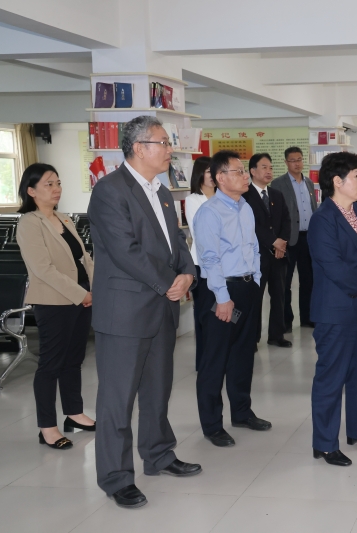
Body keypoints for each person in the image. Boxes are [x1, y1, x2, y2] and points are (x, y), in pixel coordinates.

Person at [88, 116, 201, 509]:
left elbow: (178, 242)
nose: (170, 149)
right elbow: (126, 251)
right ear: (139, 148)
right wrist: (170, 282)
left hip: (161, 306)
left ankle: (159, 454)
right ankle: (116, 478)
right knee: (117, 400)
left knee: (157, 391)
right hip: (125, 312)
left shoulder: (163, 191)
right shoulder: (109, 191)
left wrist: (188, 273)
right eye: (163, 143)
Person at [308, 151, 357, 466]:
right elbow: (333, 266)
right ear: (337, 182)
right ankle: (325, 443)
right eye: (355, 176)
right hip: (336, 311)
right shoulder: (323, 219)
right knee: (331, 377)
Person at [193, 150, 271, 448]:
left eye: (243, 171)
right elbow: (209, 259)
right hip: (220, 292)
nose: (244, 176)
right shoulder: (209, 213)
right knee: (215, 358)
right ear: (220, 178)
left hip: (247, 287)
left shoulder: (245, 207)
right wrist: (223, 298)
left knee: (243, 354)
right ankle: (212, 425)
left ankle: (242, 412)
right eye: (238, 171)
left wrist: (257, 280)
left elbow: (253, 247)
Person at [15, 163, 95, 451]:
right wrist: (80, 293)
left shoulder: (63, 218)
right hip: (54, 302)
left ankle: (74, 413)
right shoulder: (29, 223)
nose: (56, 188)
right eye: (48, 184)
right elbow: (42, 268)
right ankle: (47, 427)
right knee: (51, 364)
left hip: (81, 299)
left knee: (73, 360)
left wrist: (94, 288)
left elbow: (83, 258)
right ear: (31, 191)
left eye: (58, 183)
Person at [243, 153, 291, 348]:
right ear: (252, 171)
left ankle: (276, 335)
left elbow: (286, 220)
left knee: (279, 296)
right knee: (255, 297)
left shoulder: (276, 194)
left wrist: (282, 243)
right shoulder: (245, 196)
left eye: (270, 167)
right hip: (257, 255)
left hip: (279, 255)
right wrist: (273, 242)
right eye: (264, 167)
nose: (269, 171)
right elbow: (251, 225)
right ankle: (252, 338)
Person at [271, 147, 317, 330]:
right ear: (286, 162)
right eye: (292, 160)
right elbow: (276, 215)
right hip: (288, 239)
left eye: (299, 159)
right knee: (285, 282)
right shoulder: (278, 184)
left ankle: (307, 317)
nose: (297, 163)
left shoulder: (309, 183)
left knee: (308, 280)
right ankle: (286, 320)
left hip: (308, 237)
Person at [183, 156, 214, 370]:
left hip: (225, 267)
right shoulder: (193, 199)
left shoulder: (224, 196)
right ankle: (203, 361)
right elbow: (200, 232)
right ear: (200, 174)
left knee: (223, 312)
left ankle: (220, 356)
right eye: (209, 171)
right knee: (205, 312)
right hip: (202, 265)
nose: (213, 176)